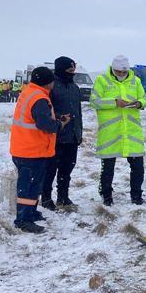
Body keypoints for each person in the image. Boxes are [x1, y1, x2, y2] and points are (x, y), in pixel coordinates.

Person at [9, 67, 71, 233]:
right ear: (49, 82)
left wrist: (56, 118)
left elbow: (37, 117)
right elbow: (45, 125)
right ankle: (23, 220)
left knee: (33, 185)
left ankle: (31, 213)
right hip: (31, 151)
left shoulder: (30, 91)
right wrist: (60, 124)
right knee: (28, 187)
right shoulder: (40, 98)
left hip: (24, 149)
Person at [90, 55, 146, 206]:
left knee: (138, 167)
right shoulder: (102, 80)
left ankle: (136, 195)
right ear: (113, 68)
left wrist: (139, 103)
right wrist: (114, 102)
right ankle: (106, 195)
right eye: (119, 72)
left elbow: (145, 98)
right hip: (111, 132)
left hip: (131, 132)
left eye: (124, 72)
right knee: (108, 168)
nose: (122, 74)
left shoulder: (135, 81)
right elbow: (94, 101)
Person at [40, 57, 84, 211]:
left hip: (72, 137)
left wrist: (79, 132)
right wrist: (59, 119)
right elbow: (46, 112)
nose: (72, 73)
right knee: (50, 170)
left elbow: (78, 112)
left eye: (73, 70)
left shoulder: (75, 88)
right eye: (69, 71)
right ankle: (46, 198)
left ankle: (63, 197)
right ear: (61, 70)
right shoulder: (51, 88)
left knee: (67, 170)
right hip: (56, 137)